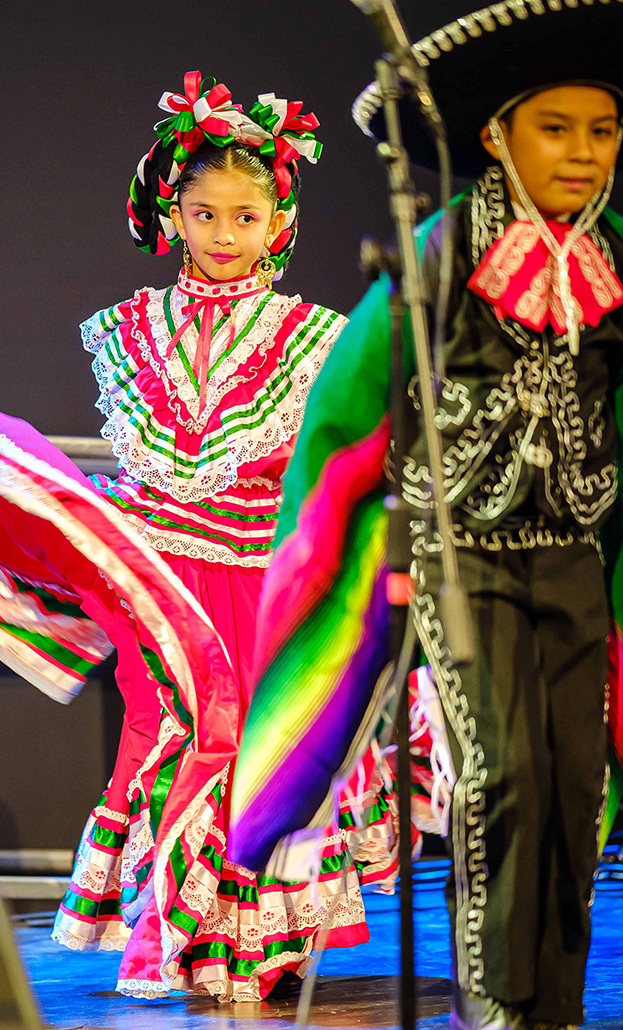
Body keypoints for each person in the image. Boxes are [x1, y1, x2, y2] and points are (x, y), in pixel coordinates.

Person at [0, 72, 397, 1001]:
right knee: (168, 733)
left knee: (252, 744)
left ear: (279, 223)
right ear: (172, 214)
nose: (224, 235)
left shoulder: (313, 337)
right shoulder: (132, 331)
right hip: (158, 578)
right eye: (205, 213)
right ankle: (174, 933)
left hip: (260, 578)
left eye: (246, 216)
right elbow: (154, 470)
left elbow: (330, 468)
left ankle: (252, 937)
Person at [228, 5, 623, 1029]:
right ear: (494, 134)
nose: (580, 153)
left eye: (602, 129)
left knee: (576, 792)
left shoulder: (616, 263)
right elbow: (352, 411)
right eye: (554, 127)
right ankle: (497, 1007)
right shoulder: (440, 254)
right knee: (505, 779)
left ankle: (558, 1011)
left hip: (571, 555)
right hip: (467, 560)